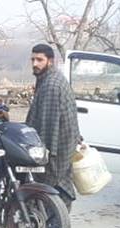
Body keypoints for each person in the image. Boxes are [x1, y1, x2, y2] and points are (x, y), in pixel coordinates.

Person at [26, 43, 80, 209]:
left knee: (53, 190)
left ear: (50, 61)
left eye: (39, 60)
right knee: (57, 193)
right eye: (33, 59)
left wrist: (41, 155)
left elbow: (48, 127)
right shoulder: (49, 79)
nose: (35, 63)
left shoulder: (51, 85)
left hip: (57, 149)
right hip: (64, 146)